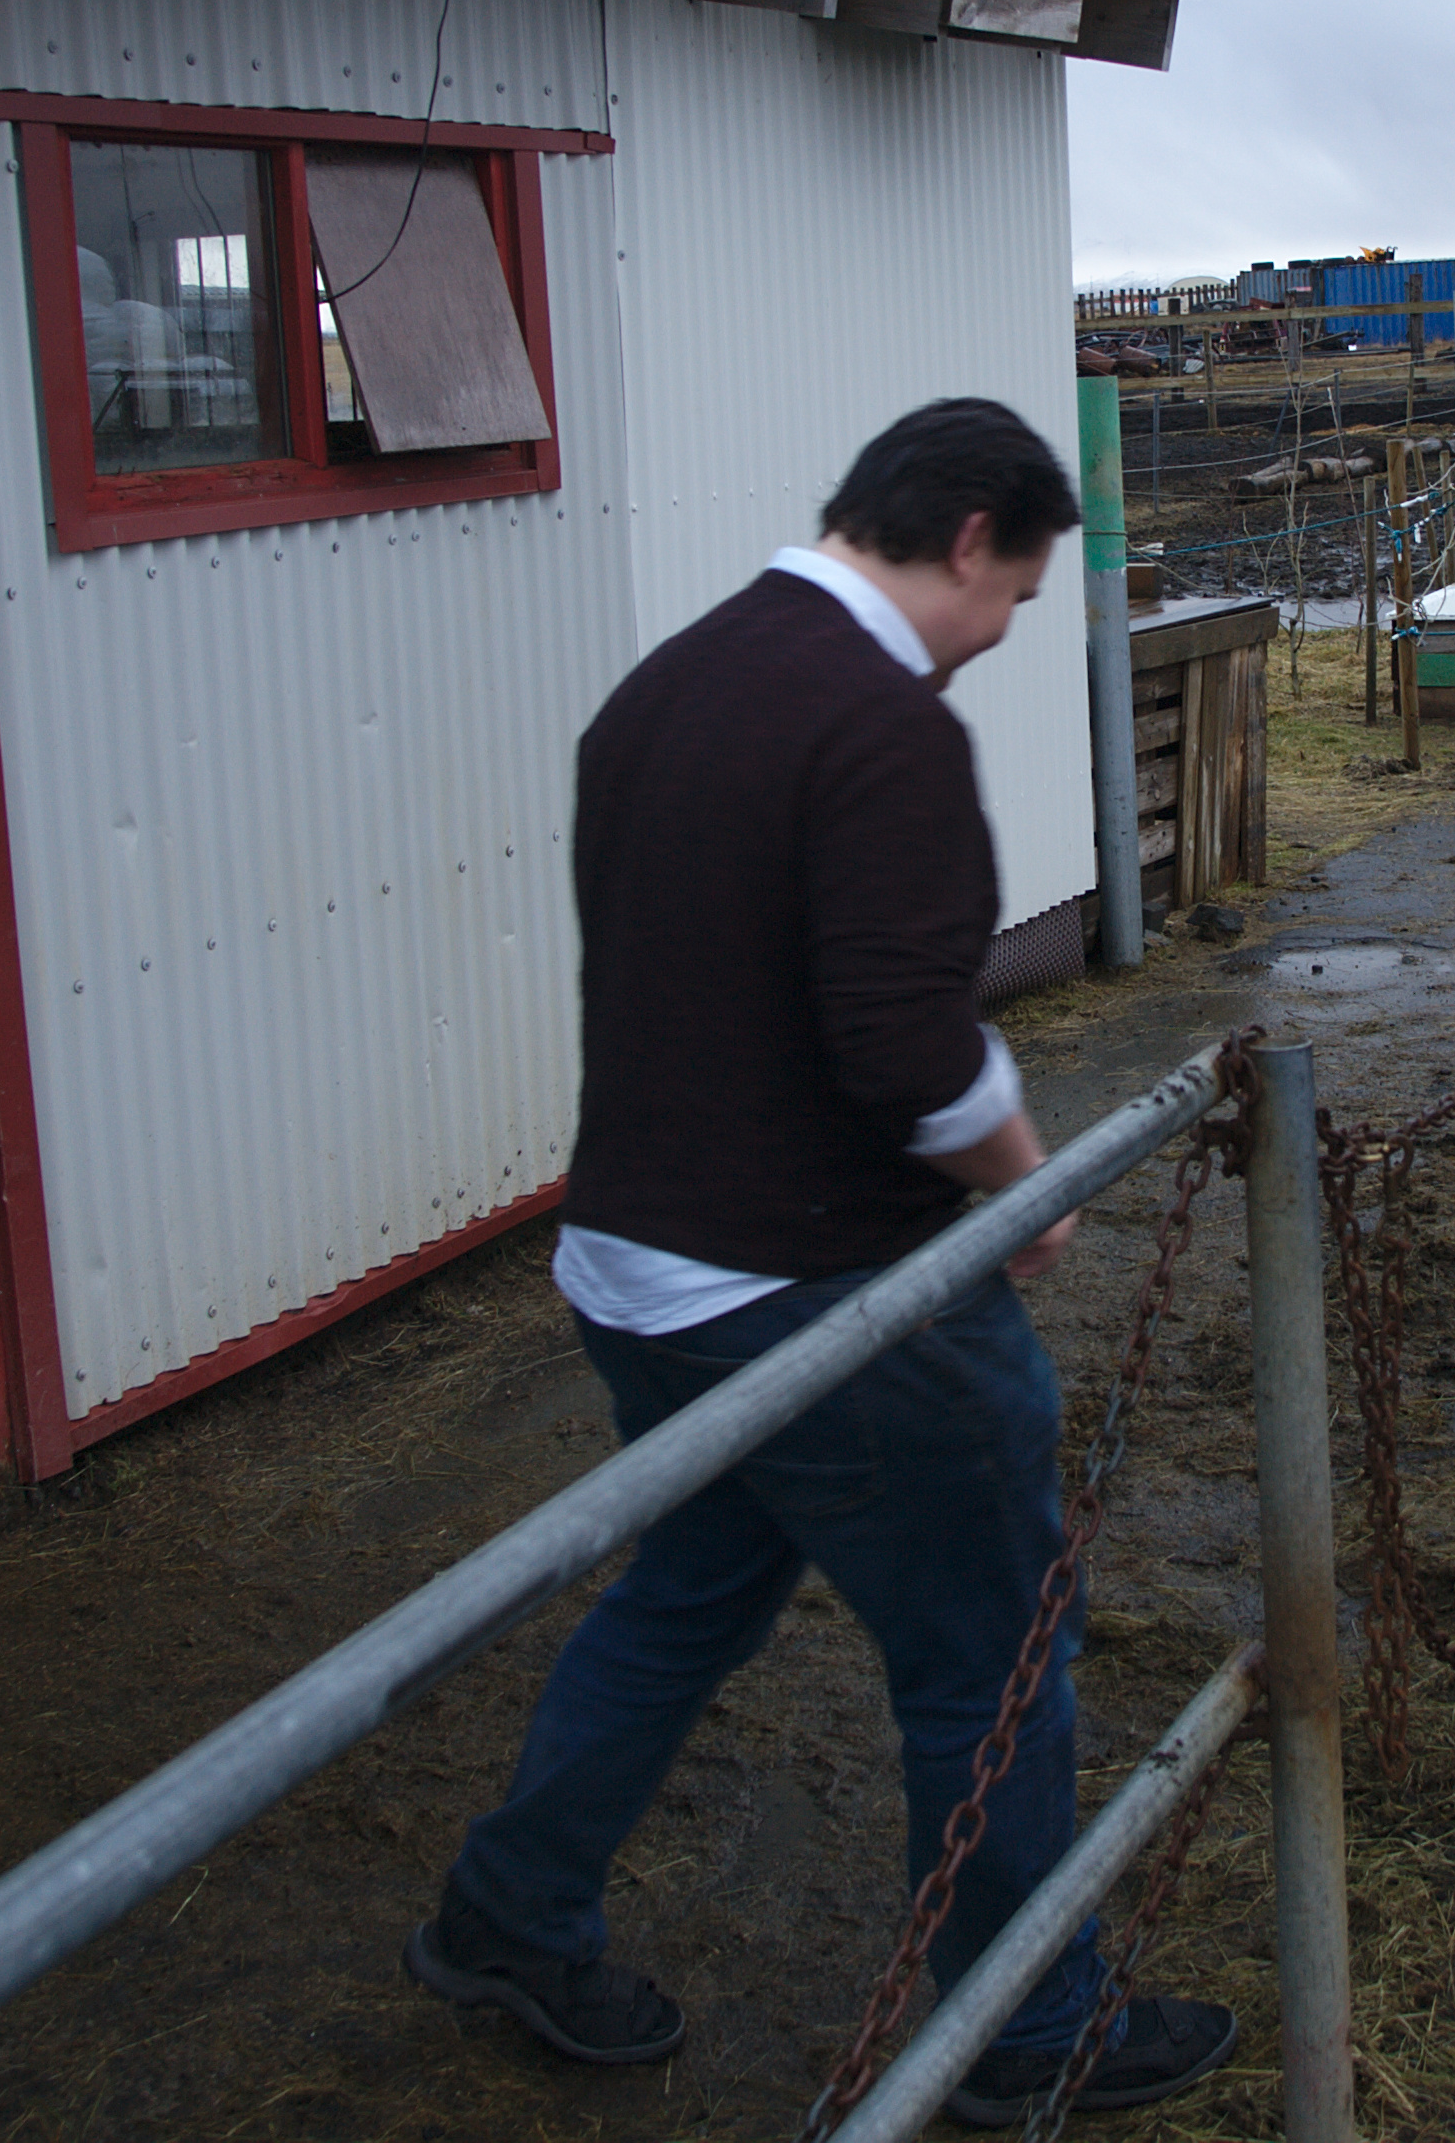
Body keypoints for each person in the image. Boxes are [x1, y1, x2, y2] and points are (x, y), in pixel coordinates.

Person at [405, 398, 1237, 2124]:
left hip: (636, 1270)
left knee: (689, 1592)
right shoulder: (881, 729)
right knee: (997, 1646)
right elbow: (909, 1053)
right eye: (1015, 595)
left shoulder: (671, 686)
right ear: (967, 539)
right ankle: (1027, 2026)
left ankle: (510, 1909)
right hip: (823, 1292)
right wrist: (1029, 1190)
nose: (1000, 635)